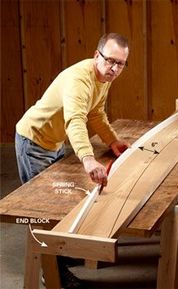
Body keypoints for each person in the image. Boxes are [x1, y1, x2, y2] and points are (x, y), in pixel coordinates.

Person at [15, 33, 130, 289]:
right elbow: (75, 120)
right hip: (33, 141)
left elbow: (95, 112)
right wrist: (88, 159)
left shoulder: (103, 78)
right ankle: (52, 274)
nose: (113, 68)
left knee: (60, 204)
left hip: (54, 142)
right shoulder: (80, 79)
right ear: (96, 55)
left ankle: (62, 253)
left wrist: (112, 141)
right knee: (44, 211)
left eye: (120, 63)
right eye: (109, 60)